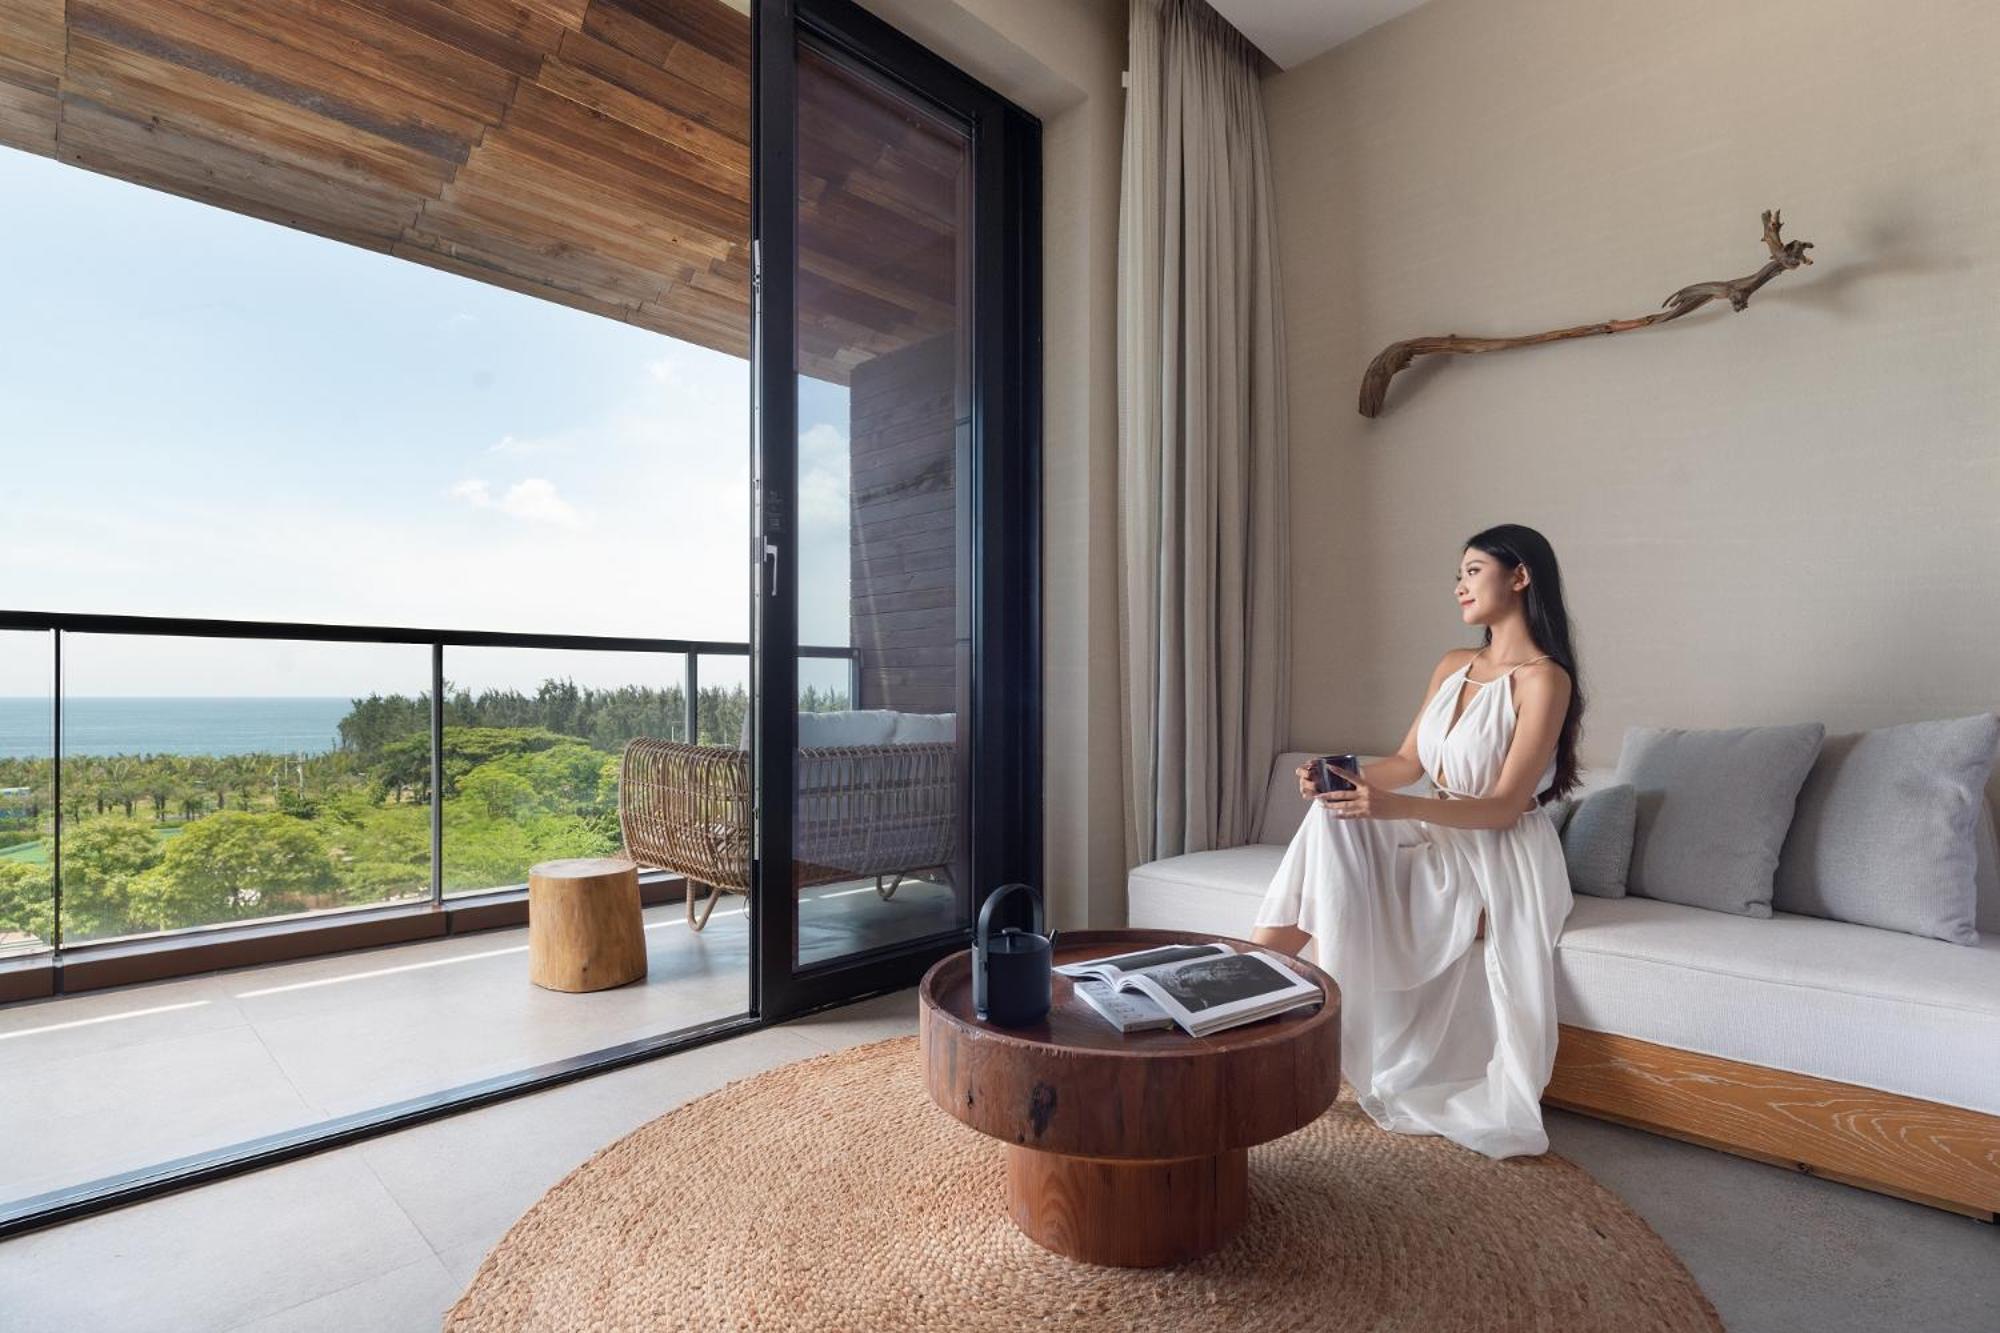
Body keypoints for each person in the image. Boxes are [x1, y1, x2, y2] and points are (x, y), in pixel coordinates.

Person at [1251, 523, 1584, 1159]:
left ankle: (1251, 997)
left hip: (1499, 855)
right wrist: (1340, 778)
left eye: (1473, 571)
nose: (1459, 586)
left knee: (1350, 829)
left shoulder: (1545, 681)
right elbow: (1407, 763)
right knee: (1331, 817)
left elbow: (1505, 807)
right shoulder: (1453, 665)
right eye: (1458, 575)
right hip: (1435, 830)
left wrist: (1392, 806)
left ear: (1520, 577)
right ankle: (1248, 986)